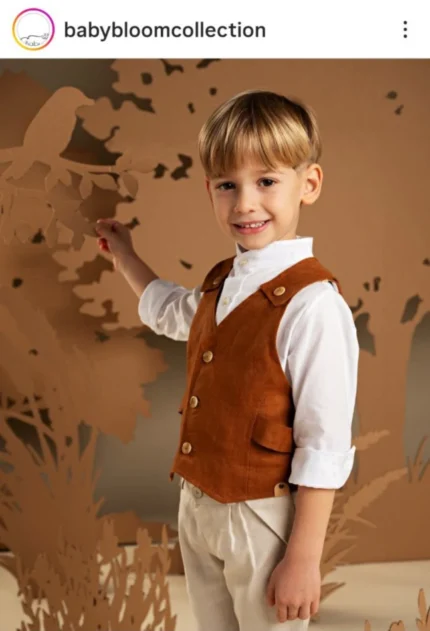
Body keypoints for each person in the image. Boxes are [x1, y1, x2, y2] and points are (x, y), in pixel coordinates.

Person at [95, 89, 359, 631]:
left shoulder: (315, 305)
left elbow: (323, 445)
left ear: (308, 184)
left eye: (266, 181)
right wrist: (125, 257)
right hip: (198, 508)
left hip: (261, 514)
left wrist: (303, 559)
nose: (244, 203)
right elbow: (173, 312)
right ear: (210, 190)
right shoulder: (225, 281)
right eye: (227, 185)